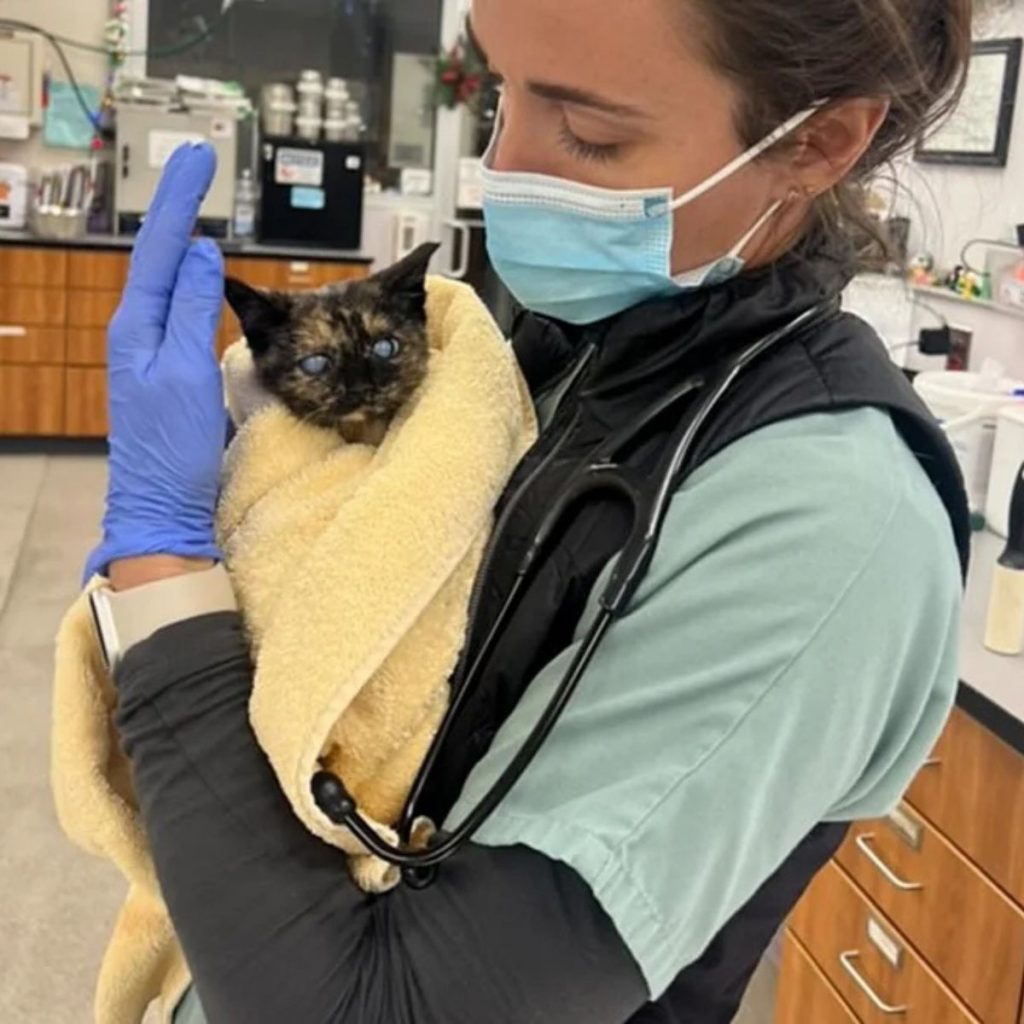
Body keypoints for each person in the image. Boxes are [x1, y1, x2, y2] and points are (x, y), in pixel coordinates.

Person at [86, 1, 972, 1021]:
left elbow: (371, 1008)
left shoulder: (830, 528)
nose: (506, 168)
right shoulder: (563, 332)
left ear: (816, 142)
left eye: (590, 135)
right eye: (502, 90)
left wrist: (161, 583)